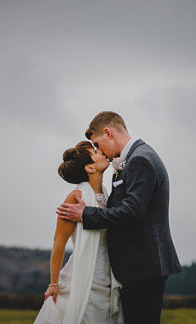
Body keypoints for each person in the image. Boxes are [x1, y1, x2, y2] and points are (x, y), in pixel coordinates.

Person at [56, 112, 181, 324]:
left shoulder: (139, 159)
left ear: (108, 133)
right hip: (137, 268)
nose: (99, 150)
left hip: (143, 267)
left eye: (97, 143)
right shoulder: (133, 158)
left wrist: (86, 214)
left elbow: (132, 212)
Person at [33, 141, 122, 324]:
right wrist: (53, 283)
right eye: (96, 152)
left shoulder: (105, 193)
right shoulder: (76, 197)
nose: (102, 152)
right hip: (84, 275)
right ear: (90, 167)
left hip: (107, 276)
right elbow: (59, 241)